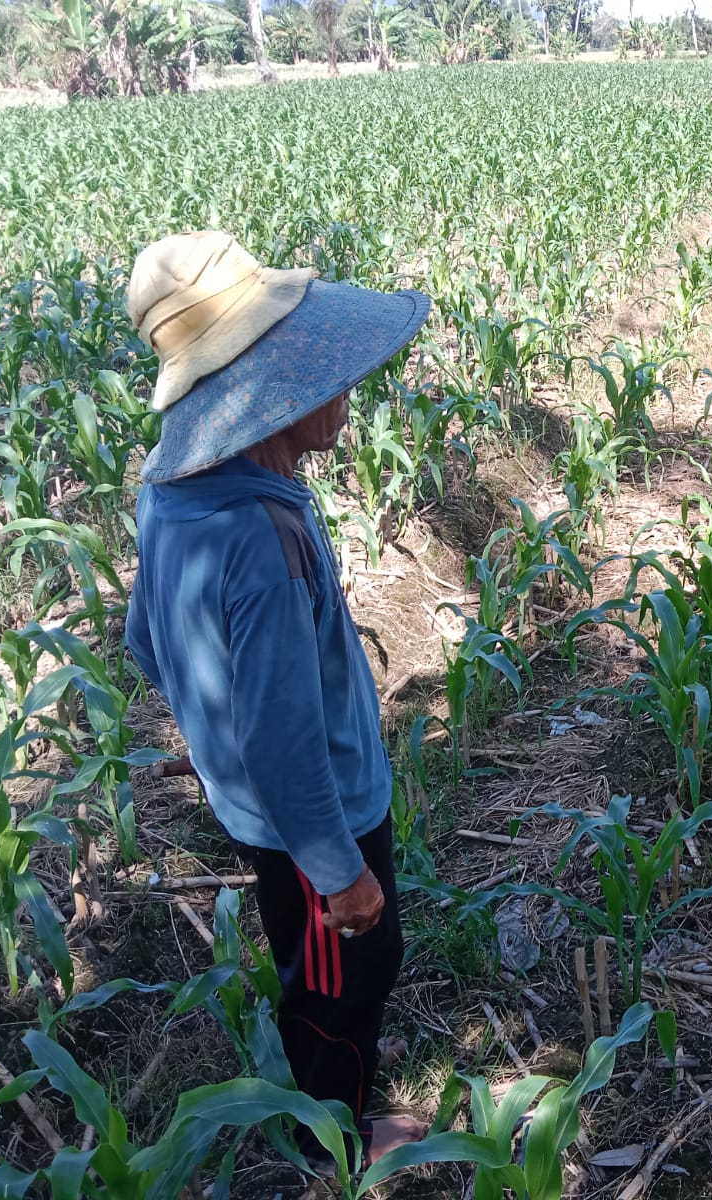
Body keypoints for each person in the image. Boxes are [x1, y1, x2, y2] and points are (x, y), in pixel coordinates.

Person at [122, 231, 431, 1171]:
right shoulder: (258, 537)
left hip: (281, 808)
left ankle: (330, 1102)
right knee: (343, 975)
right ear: (265, 393)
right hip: (314, 818)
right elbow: (286, 745)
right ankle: (330, 1134)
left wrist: (208, 740)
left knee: (332, 962)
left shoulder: (177, 490)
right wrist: (340, 872)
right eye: (320, 372)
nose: (343, 388)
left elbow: (146, 637)